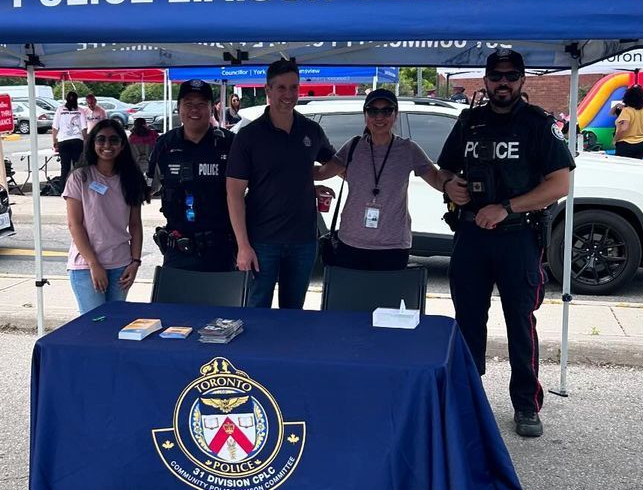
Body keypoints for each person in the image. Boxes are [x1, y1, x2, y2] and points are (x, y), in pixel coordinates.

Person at [436, 49, 574, 438]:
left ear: (522, 81)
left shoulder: (536, 123)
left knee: (520, 323)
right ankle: (468, 400)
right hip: (471, 237)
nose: (503, 82)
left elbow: (560, 184)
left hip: (517, 237)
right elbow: (442, 170)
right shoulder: (469, 122)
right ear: (485, 79)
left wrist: (507, 207)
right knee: (467, 323)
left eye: (511, 76)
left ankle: (526, 404)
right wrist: (449, 185)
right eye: (496, 76)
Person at [227, 59, 336, 308]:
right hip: (262, 241)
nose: (289, 95)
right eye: (281, 88)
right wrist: (243, 246)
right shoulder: (249, 136)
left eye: (294, 88)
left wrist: (311, 181)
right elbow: (233, 194)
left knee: (293, 313)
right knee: (257, 312)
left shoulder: (310, 130)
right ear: (268, 90)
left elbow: (331, 165)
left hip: (304, 241)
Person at [313, 89, 449, 270]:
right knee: (351, 298)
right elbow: (323, 172)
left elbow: (438, 180)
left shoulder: (408, 150)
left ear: (395, 115)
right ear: (365, 115)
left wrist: (454, 184)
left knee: (385, 298)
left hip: (392, 246)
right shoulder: (353, 146)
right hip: (351, 243)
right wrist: (286, 171)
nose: (379, 117)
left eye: (386, 111)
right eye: (373, 111)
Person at [148, 80, 236, 272]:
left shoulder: (228, 144)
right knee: (174, 302)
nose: (195, 110)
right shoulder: (165, 144)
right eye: (188, 104)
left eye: (201, 104)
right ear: (178, 107)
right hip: (178, 249)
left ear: (212, 108)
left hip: (221, 249)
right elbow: (147, 188)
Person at [63, 119, 147, 313]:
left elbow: (135, 224)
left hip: (121, 265)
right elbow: (74, 224)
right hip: (86, 266)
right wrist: (93, 264)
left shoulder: (131, 178)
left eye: (113, 140)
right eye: (101, 140)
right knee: (95, 325)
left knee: (115, 324)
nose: (107, 145)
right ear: (92, 143)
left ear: (122, 144)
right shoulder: (80, 177)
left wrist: (135, 262)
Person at [51, 91, 86, 186]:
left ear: (66, 99)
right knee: (78, 166)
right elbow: (84, 128)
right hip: (77, 140)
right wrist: (86, 141)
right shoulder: (80, 110)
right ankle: (78, 187)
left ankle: (63, 188)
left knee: (65, 167)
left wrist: (54, 141)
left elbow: (54, 127)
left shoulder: (60, 110)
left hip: (63, 141)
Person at [613, 84, 643, 159]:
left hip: (625, 144)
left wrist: (615, 139)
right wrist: (641, 135)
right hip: (640, 143)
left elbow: (624, 128)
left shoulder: (626, 111)